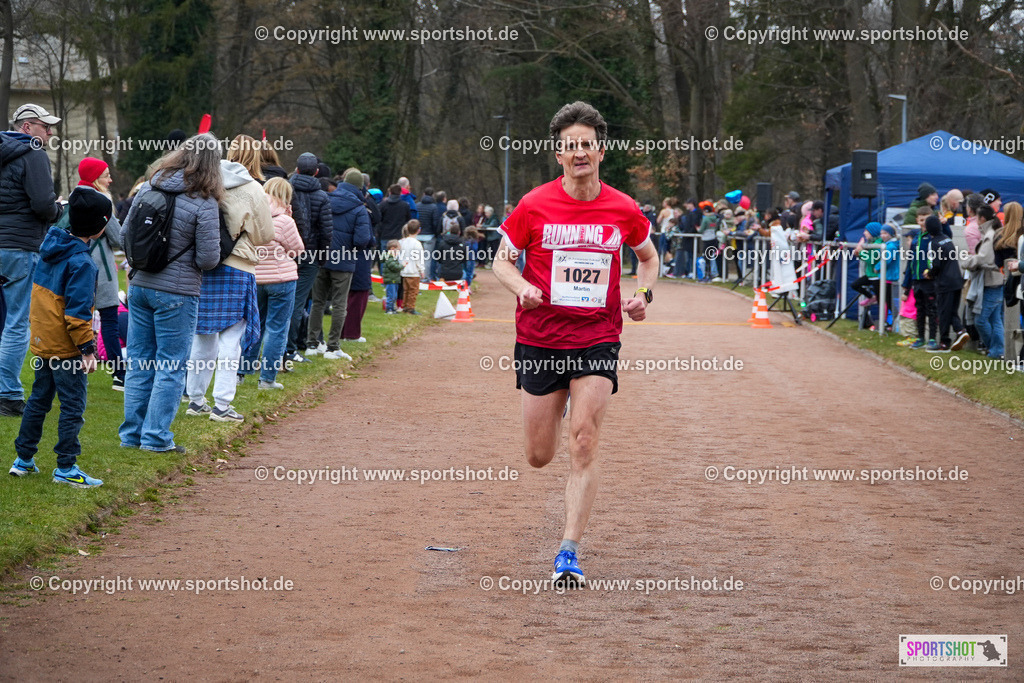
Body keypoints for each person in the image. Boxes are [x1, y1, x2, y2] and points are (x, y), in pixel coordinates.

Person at [491, 101, 657, 586]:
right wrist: (522, 287)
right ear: (558, 155)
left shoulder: (623, 208)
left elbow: (649, 259)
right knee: (539, 455)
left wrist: (643, 295)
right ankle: (559, 402)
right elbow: (501, 260)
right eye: (571, 146)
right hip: (541, 338)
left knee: (583, 440)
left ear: (601, 152)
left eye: (587, 144)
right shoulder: (533, 204)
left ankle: (568, 551)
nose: (580, 152)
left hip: (597, 337)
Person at [119, 133, 223, 453]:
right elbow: (208, 259)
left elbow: (124, 235)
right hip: (177, 292)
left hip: (140, 286)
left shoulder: (149, 187)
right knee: (171, 365)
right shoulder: (205, 202)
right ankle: (155, 437)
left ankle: (131, 435)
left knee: (140, 362)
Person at [8, 188, 110, 487]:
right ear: (100, 226)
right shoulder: (82, 263)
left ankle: (23, 460)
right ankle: (66, 467)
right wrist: (88, 350)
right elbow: (77, 315)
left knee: (38, 401)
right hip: (67, 350)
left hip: (44, 343)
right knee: (72, 407)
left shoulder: (51, 247)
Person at [185, 157, 274, 422]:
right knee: (231, 338)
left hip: (205, 265)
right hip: (238, 264)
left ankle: (196, 400)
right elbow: (265, 235)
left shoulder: (202, 182)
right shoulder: (253, 188)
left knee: (203, 334)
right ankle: (222, 405)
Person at [0, 104, 64, 417]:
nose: (50, 133)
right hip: (20, 247)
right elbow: (42, 205)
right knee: (16, 323)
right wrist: (58, 210)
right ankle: (8, 395)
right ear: (27, 127)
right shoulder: (34, 152)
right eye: (45, 126)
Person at [56, 158, 124, 389]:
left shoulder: (73, 197)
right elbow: (118, 238)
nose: (110, 179)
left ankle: (69, 368)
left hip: (74, 267)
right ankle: (120, 374)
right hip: (101, 270)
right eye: (106, 175)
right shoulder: (101, 200)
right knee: (110, 321)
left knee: (74, 317)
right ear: (95, 178)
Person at [239, 178, 304, 389]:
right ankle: (267, 378)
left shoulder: (251, 214)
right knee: (277, 328)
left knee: (253, 326)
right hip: (282, 279)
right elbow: (297, 250)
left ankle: (241, 372)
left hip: (255, 277)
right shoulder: (285, 221)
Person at [306, 166, 373, 359]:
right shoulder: (359, 208)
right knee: (339, 304)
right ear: (360, 187)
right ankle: (333, 347)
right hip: (344, 261)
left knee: (318, 302)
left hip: (322, 257)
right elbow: (362, 239)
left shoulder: (326, 199)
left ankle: (312, 343)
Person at [286, 152, 333, 362]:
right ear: (316, 172)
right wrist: (321, 257)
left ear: (296, 169)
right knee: (297, 303)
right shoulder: (322, 196)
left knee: (285, 302)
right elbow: (326, 231)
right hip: (310, 255)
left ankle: (280, 348)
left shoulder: (286, 190)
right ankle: (289, 349)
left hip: (287, 252)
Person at [962, 205, 1004, 358]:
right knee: (995, 320)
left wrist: (967, 261)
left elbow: (983, 258)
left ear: (982, 219)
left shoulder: (990, 235)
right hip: (996, 282)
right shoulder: (993, 232)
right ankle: (998, 350)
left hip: (992, 282)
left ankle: (995, 349)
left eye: (977, 218)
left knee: (980, 320)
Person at [925, 215, 969, 352]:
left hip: (945, 282)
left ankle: (944, 342)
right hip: (957, 280)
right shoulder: (947, 239)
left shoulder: (933, 243)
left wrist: (930, 273)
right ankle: (960, 331)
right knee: (951, 310)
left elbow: (935, 264)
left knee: (943, 312)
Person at [900, 207, 938, 350]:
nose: (924, 223)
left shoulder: (934, 236)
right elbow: (911, 261)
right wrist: (906, 284)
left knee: (932, 310)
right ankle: (920, 337)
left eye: (926, 219)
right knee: (919, 310)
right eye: (921, 220)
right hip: (916, 280)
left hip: (930, 280)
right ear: (917, 220)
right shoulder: (916, 238)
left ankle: (932, 338)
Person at [993, 202, 1022, 361]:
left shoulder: (999, 235)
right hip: (1021, 279)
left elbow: (998, 263)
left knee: (1004, 316)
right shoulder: (1021, 236)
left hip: (1007, 279)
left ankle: (1007, 351)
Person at [398, 220, 425, 314]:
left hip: (404, 270)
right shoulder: (417, 243)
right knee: (413, 291)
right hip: (414, 271)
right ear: (419, 230)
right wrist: (422, 270)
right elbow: (419, 259)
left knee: (406, 290)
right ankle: (411, 308)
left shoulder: (402, 242)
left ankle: (405, 306)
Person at [382, 240, 403, 314]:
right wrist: (402, 265)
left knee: (394, 295)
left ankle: (393, 308)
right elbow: (394, 267)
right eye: (398, 250)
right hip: (391, 280)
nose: (398, 252)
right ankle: (389, 309)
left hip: (394, 279)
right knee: (391, 295)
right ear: (392, 248)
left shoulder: (392, 258)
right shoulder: (389, 258)